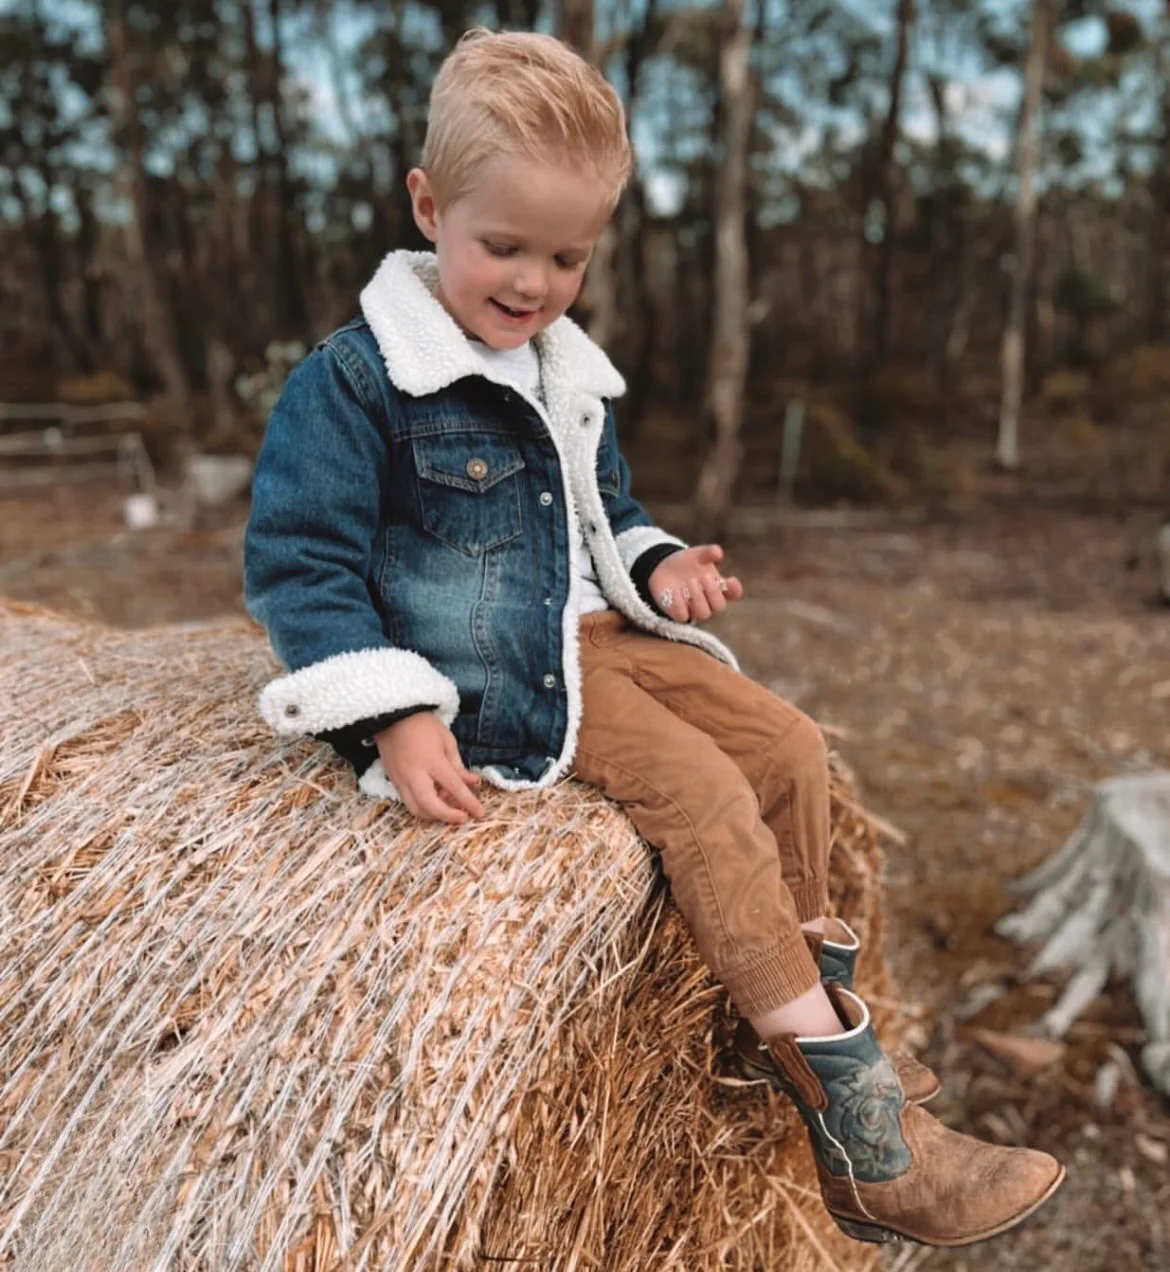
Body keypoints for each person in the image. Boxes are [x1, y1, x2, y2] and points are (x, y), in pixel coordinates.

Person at [244, 27, 1064, 1248]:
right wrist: (393, 710)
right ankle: (862, 1128)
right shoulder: (362, 383)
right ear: (428, 206)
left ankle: (786, 1017)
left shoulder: (565, 367)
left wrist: (661, 563)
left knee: (788, 749)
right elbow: (298, 561)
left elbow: (603, 512)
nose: (533, 283)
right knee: (701, 795)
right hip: (499, 672)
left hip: (601, 633)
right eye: (504, 247)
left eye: (566, 256)